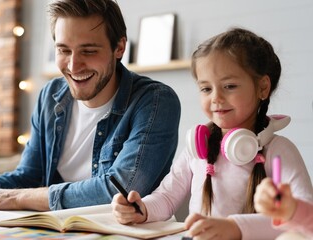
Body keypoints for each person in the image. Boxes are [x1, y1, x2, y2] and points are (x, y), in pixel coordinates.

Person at [0, 0, 181, 211]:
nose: (74, 65)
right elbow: (28, 178)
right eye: (64, 50)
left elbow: (118, 189)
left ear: (119, 48)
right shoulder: (50, 95)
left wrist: (17, 198)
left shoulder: (156, 101)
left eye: (89, 51)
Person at [111, 27, 313, 239]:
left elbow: (301, 218)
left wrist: (235, 228)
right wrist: (141, 210)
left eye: (229, 86)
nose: (216, 98)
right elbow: (166, 198)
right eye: (206, 89)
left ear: (262, 87)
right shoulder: (198, 149)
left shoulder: (279, 149)